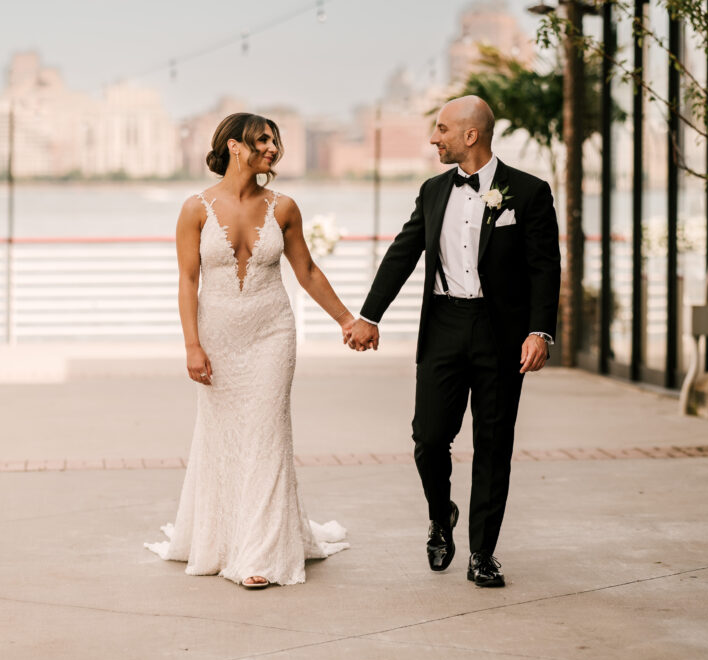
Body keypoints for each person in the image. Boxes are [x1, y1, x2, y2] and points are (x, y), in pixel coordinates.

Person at [347, 95, 561, 588]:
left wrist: (540, 330)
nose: (432, 138)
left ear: (471, 135)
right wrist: (368, 316)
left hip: (502, 334)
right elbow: (402, 254)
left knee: (493, 444)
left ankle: (482, 553)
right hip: (443, 325)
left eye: (441, 129)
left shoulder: (528, 192)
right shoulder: (432, 191)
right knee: (428, 438)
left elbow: (544, 267)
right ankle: (441, 515)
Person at [145, 112, 352, 589]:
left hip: (272, 334)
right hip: (217, 339)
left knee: (267, 436)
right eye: (263, 140)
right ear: (235, 146)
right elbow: (188, 280)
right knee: (224, 439)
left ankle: (260, 554)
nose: (273, 149)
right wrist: (192, 345)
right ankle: (223, 539)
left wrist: (345, 319)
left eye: (275, 141)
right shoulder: (195, 208)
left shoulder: (285, 207)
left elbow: (309, 273)